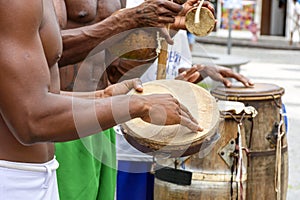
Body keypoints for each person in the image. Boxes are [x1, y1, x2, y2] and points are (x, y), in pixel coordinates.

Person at [0, 1, 203, 199]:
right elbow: (32, 118)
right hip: (24, 164)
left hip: (82, 128)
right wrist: (137, 105)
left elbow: (114, 71)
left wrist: (102, 96)